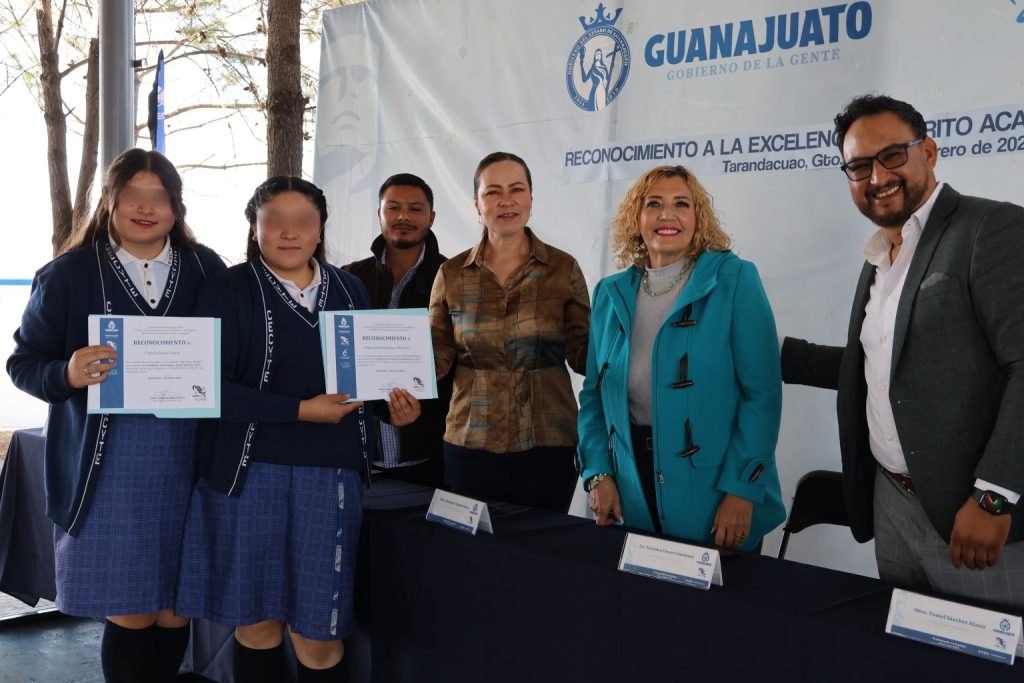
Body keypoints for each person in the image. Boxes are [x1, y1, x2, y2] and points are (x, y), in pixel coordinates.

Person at [781, 94, 1024, 606]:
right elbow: (880, 365)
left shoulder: (989, 229)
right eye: (859, 166)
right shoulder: (880, 257)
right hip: (891, 502)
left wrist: (994, 496)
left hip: (971, 514)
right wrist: (775, 354)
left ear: (929, 152)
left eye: (892, 155)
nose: (877, 177)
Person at [175, 177, 420, 682]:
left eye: (303, 221)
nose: (290, 233)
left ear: (320, 228)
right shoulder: (227, 288)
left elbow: (360, 383)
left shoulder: (349, 288)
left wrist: (389, 408)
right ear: (254, 227)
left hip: (328, 477)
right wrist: (300, 410)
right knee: (258, 624)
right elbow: (202, 386)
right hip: (247, 475)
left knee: (320, 632)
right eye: (275, 222)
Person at [6, 148, 225, 682]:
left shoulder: (207, 269)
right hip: (108, 465)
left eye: (160, 197)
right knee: (130, 607)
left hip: (192, 460)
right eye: (132, 195)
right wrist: (68, 374)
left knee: (177, 607)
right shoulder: (68, 274)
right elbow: (23, 363)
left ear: (177, 208)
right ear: (109, 201)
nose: (145, 208)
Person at [577, 165, 785, 549]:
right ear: (636, 218)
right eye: (653, 204)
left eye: (681, 204)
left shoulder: (735, 279)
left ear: (698, 218)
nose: (666, 215)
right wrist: (598, 473)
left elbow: (762, 396)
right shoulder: (609, 293)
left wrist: (742, 489)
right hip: (632, 489)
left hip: (715, 490)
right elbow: (593, 397)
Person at [429, 152, 590, 512]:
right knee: (473, 559)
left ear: (531, 198)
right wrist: (392, 378)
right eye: (493, 192)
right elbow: (437, 357)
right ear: (476, 204)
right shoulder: (452, 274)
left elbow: (583, 353)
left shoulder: (563, 269)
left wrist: (626, 344)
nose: (506, 200)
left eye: (517, 189)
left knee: (541, 558)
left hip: (549, 441)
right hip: (470, 440)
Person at [344, 173, 450, 488]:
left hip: (428, 458)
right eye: (393, 207)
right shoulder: (349, 278)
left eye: (415, 209)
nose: (403, 216)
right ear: (379, 214)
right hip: (356, 457)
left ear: (431, 217)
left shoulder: (454, 278)